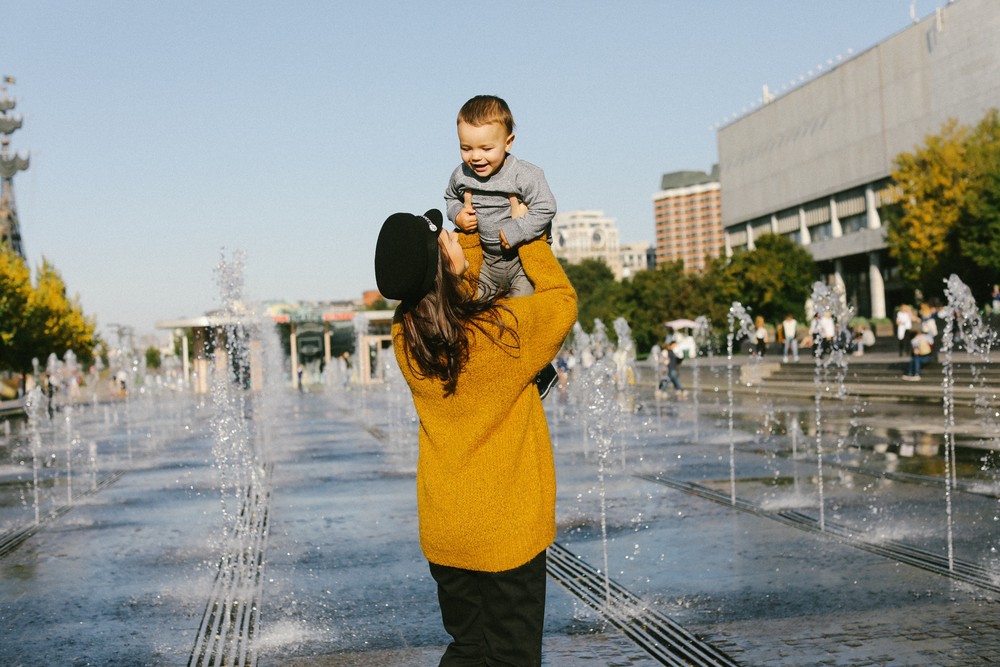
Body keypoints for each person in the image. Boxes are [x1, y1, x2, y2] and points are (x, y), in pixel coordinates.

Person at [374, 204, 576, 666]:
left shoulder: (406, 336)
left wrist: (462, 248)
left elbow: (448, 308)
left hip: (448, 530)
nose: (451, 235)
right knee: (512, 657)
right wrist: (529, 238)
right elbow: (562, 301)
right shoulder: (503, 333)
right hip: (506, 534)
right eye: (442, 237)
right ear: (441, 264)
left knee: (469, 649)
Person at [445, 95, 556, 298]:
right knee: (474, 311)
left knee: (519, 313)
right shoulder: (461, 175)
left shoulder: (524, 174)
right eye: (466, 148)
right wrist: (457, 214)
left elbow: (546, 207)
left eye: (486, 148)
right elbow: (450, 198)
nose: (476, 157)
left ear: (508, 143)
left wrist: (518, 229)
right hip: (487, 265)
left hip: (520, 264)